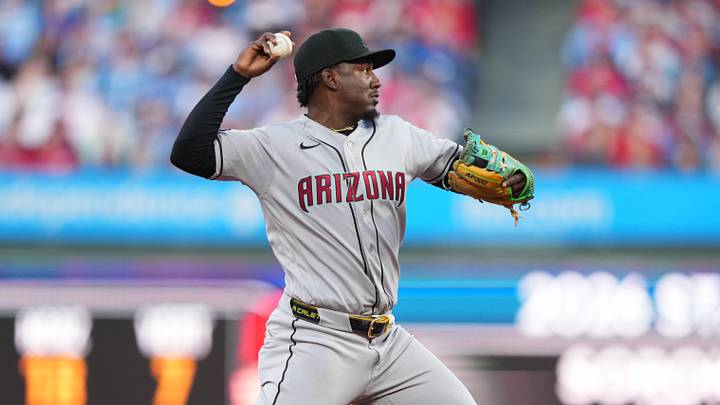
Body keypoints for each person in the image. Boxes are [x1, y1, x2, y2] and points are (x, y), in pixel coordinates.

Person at [171, 28, 526, 405]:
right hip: (316, 339)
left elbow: (469, 167)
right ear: (330, 77)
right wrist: (237, 76)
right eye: (363, 70)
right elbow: (189, 152)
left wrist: (511, 179)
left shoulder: (398, 136)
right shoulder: (273, 146)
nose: (376, 80)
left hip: (388, 342)